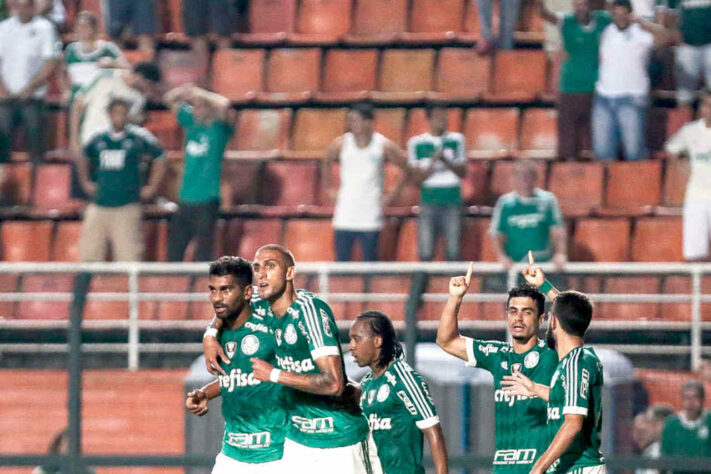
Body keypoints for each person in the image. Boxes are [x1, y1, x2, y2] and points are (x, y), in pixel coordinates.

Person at [203, 244, 381, 473]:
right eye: (257, 268)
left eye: (270, 266)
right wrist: (210, 335)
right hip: (298, 444)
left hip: (339, 439)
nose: (262, 274)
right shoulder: (262, 308)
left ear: (290, 273)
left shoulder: (309, 311)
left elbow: (335, 383)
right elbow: (226, 305)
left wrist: (275, 375)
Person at [436, 261, 558, 472]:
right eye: (513, 311)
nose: (518, 318)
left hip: (542, 468)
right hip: (503, 468)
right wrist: (455, 298)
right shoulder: (497, 354)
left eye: (527, 312)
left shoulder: (551, 354)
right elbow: (446, 341)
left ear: (541, 319)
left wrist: (544, 285)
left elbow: (575, 317)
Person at [185, 256, 287, 473]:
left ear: (248, 292)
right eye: (213, 290)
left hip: (276, 454)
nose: (217, 298)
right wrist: (205, 393)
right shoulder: (220, 333)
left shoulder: (272, 322)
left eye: (226, 290)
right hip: (232, 454)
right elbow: (236, 377)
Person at [501, 264, 605, 474]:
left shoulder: (575, 363)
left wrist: (538, 468)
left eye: (550, 318)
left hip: (579, 468)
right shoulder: (578, 359)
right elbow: (570, 310)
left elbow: (573, 423)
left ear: (554, 321)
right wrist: (536, 389)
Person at [349, 310, 449, 474]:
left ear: (377, 341)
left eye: (357, 339)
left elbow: (433, 431)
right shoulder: (366, 383)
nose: (352, 346)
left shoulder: (404, 379)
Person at [76, 98, 166, 261]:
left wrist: (152, 186)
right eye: (116, 113)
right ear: (109, 114)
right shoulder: (98, 138)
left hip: (127, 205)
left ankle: (129, 286)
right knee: (88, 255)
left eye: (123, 113)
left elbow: (161, 157)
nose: (120, 117)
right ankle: (87, 286)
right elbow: (83, 155)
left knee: (129, 256)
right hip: (100, 203)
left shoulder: (139, 137)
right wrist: (85, 181)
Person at [323, 103, 413, 262]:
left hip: (370, 213)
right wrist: (328, 188)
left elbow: (405, 167)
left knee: (370, 263)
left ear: (368, 122)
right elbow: (326, 161)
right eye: (350, 121)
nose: (352, 125)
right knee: (341, 262)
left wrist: (392, 194)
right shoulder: (341, 143)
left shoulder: (383, 145)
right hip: (345, 213)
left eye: (356, 120)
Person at [163, 84, 236, 262]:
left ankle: (198, 286)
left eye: (201, 106)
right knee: (174, 250)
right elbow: (168, 99)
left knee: (203, 251)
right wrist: (186, 90)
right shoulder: (190, 123)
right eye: (195, 106)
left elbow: (225, 104)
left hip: (208, 198)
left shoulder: (219, 129)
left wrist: (201, 93)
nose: (196, 110)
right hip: (186, 198)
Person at [592, 0, 672, 161]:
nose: (620, 17)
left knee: (634, 152)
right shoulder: (607, 32)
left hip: (631, 98)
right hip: (603, 98)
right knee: (602, 152)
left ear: (630, 14)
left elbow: (666, 38)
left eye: (624, 13)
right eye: (616, 13)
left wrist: (642, 22)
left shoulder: (641, 34)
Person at [537, 0, 612, 160]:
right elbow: (545, 14)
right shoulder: (567, 22)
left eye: (584, 4)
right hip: (569, 89)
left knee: (596, 139)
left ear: (590, 5)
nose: (580, 8)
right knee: (568, 141)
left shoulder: (603, 20)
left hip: (596, 88)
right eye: (577, 4)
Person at [0, 0, 61, 163]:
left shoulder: (45, 28)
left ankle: (38, 175)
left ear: (32, 6)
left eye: (26, 5)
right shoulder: (4, 28)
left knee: (36, 136)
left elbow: (50, 63)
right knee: (1, 131)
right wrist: (2, 88)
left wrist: (30, 87)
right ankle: (3, 177)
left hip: (33, 96)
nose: (22, 8)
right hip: (6, 96)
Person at [406, 105, 466, 261]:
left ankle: (455, 285)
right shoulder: (416, 143)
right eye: (439, 117)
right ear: (429, 119)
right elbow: (417, 178)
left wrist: (446, 160)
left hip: (452, 200)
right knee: (425, 253)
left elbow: (462, 172)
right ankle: (421, 285)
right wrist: (433, 162)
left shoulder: (457, 139)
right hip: (428, 201)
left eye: (444, 116)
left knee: (453, 252)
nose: (443, 120)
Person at [490, 160, 567, 270]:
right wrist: (502, 257)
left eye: (528, 176)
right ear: (514, 178)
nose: (524, 180)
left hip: (543, 264)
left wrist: (560, 253)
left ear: (535, 178)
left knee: (549, 286)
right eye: (520, 176)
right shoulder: (505, 203)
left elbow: (557, 230)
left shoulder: (548, 200)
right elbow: (497, 234)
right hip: (515, 264)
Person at [69, 61, 161, 152]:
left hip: (118, 148)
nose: (148, 89)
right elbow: (77, 106)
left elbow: (129, 124)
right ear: (140, 78)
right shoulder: (105, 76)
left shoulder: (139, 98)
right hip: (91, 139)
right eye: (149, 85)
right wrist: (74, 140)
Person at [665, 90, 711, 262]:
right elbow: (671, 150)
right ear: (701, 108)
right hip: (696, 197)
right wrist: (682, 162)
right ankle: (696, 289)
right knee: (694, 254)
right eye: (707, 104)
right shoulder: (690, 131)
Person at [61, 11, 128, 105]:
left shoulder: (107, 48)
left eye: (85, 26)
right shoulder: (70, 50)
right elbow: (63, 72)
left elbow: (126, 68)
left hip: (100, 95)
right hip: (77, 95)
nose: (81, 30)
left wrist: (112, 63)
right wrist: (66, 90)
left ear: (94, 28)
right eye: (78, 26)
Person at [657, 0, 711, 116]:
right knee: (684, 95)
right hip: (687, 45)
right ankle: (685, 128)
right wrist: (674, 32)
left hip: (709, 45)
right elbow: (670, 13)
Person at [660, 380, 711, 474]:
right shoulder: (671, 423)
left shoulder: (709, 421)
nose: (690, 402)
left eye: (695, 397)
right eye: (686, 398)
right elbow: (664, 460)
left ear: (703, 400)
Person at [633, 404, 674, 474]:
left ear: (661, 424)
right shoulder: (651, 450)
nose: (647, 427)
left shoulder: (674, 450)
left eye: (650, 422)